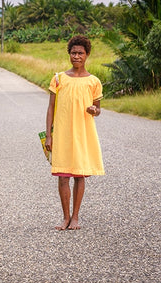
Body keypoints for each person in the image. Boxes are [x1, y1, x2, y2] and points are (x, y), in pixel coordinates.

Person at [44, 35, 105, 231]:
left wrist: (94, 111)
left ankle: (76, 217)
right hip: (62, 134)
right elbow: (51, 108)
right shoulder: (58, 78)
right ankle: (65, 217)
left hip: (83, 133)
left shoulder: (94, 81)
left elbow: (98, 108)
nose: (76, 56)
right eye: (73, 53)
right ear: (69, 54)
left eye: (80, 53)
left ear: (87, 55)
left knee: (79, 176)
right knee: (63, 176)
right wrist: (49, 135)